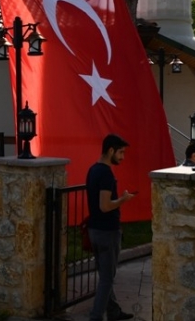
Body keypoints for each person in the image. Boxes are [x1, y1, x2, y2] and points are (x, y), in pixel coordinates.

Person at [86, 134, 136, 321]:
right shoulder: (106, 173)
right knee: (107, 279)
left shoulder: (93, 170)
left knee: (105, 274)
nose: (123, 157)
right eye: (121, 152)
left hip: (94, 231)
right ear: (110, 151)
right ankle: (96, 316)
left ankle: (113, 311)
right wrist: (123, 200)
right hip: (107, 232)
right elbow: (105, 205)